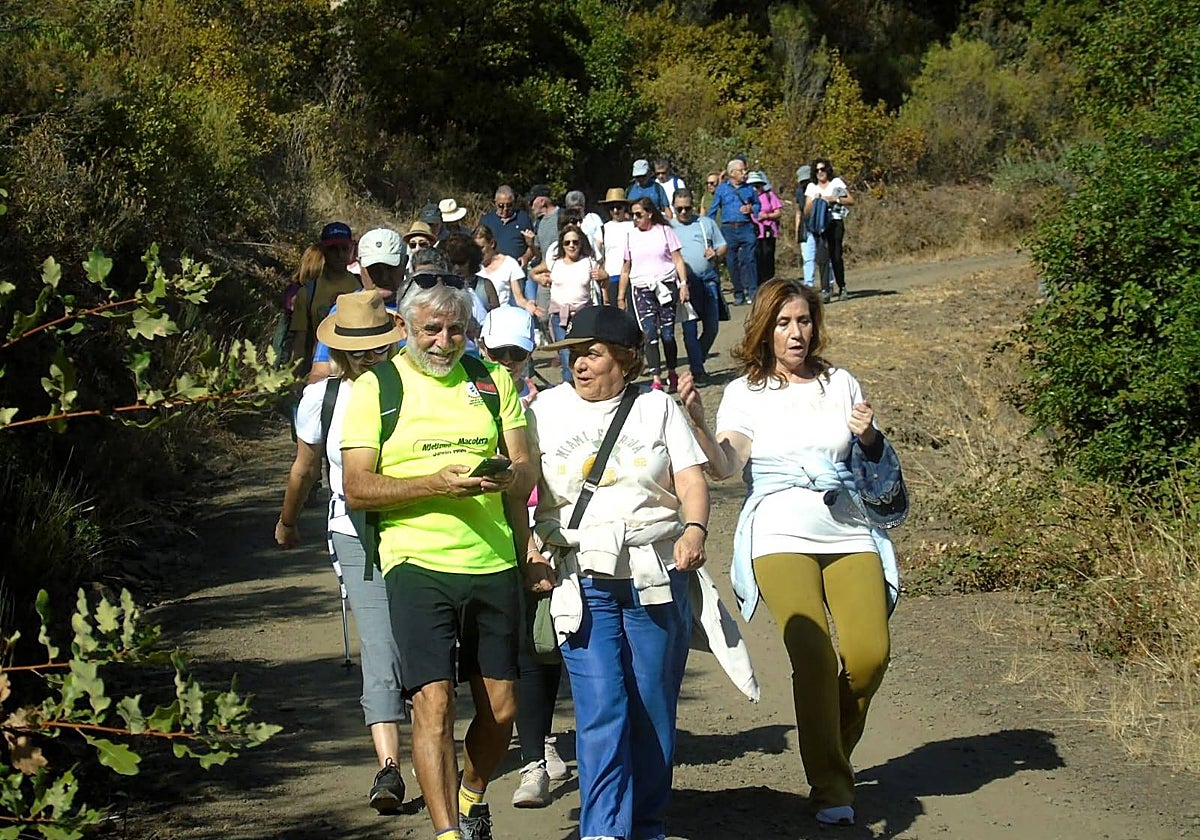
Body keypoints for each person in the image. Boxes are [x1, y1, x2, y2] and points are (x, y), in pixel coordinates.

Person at [678, 279, 893, 829]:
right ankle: (830, 786)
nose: (796, 333)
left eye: (803, 321)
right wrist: (699, 423)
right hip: (777, 532)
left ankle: (830, 747)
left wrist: (871, 438)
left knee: (869, 656)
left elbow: (869, 457)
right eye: (783, 323)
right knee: (815, 656)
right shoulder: (747, 392)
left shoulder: (840, 382)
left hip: (847, 527)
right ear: (764, 329)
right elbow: (726, 466)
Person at [341, 271, 546, 840]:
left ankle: (472, 793)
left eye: (456, 331)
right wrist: (434, 483)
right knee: (432, 704)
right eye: (432, 330)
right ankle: (448, 834)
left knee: (502, 709)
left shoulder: (491, 380)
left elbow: (526, 465)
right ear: (405, 327)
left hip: (492, 561)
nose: (443, 342)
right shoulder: (376, 389)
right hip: (415, 561)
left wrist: (506, 477)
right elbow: (357, 486)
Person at [526, 305, 709, 840]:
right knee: (601, 702)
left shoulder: (659, 409)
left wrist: (694, 528)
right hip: (580, 574)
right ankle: (604, 829)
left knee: (652, 701)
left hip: (653, 569)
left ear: (626, 360)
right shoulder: (545, 410)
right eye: (573, 354)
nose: (579, 363)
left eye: (592, 352)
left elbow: (691, 477)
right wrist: (529, 552)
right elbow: (520, 489)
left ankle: (646, 821)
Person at [275, 290, 409, 814]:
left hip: (370, 528)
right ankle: (396, 764)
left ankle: (396, 763)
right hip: (387, 530)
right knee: (389, 644)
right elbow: (306, 469)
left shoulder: (325, 397)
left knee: (387, 644)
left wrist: (287, 522)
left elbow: (304, 470)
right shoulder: (394, 389)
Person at [474, 307, 571, 808]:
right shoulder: (466, 399)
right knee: (501, 649)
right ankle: (527, 746)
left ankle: (537, 748)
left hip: (536, 533)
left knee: (538, 644)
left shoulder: (550, 405)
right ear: (483, 347)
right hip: (483, 538)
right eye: (499, 352)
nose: (509, 362)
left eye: (518, 353)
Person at [307, 228, 408, 384]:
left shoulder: (420, 311)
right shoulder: (343, 312)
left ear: (405, 263)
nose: (383, 276)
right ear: (360, 266)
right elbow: (319, 372)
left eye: (390, 268)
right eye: (374, 269)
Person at [618, 197, 690, 393]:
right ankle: (656, 377)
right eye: (633, 215)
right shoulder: (630, 236)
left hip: (665, 285)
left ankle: (672, 371)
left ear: (649, 213)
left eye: (639, 214)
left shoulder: (665, 231)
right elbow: (626, 268)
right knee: (649, 333)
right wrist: (620, 297)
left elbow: (677, 260)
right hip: (641, 287)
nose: (635, 218)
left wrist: (683, 284)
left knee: (667, 334)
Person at [531, 223, 607, 384]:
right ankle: (569, 389)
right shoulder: (554, 262)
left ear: (581, 243)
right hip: (560, 316)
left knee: (584, 353)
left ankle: (585, 385)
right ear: (562, 245)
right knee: (565, 356)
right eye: (567, 243)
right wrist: (540, 279)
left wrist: (604, 277)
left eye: (575, 242)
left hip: (583, 315)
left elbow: (604, 282)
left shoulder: (589, 262)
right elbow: (532, 272)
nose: (571, 245)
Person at [288, 222, 361, 374]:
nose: (340, 254)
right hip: (319, 369)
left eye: (344, 248)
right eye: (333, 249)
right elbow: (300, 343)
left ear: (351, 248)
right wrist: (294, 378)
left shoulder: (361, 285)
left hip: (357, 368)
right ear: (323, 250)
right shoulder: (308, 293)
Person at [669, 188, 726, 383]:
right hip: (684, 284)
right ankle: (697, 368)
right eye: (679, 209)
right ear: (673, 207)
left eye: (687, 208)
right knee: (689, 329)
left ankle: (697, 359)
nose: (684, 212)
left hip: (708, 280)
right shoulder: (667, 228)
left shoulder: (706, 223)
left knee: (712, 326)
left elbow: (723, 245)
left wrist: (716, 254)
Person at [706, 159, 760, 305]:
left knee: (750, 259)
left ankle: (753, 292)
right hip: (728, 229)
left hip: (746, 227)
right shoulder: (722, 189)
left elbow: (757, 205)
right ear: (732, 173)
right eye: (741, 170)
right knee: (731, 261)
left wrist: (751, 209)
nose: (745, 173)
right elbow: (713, 209)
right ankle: (738, 293)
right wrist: (706, 227)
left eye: (745, 170)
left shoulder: (749, 189)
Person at [805, 158, 854, 301]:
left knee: (836, 256)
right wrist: (816, 201)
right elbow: (807, 210)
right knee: (822, 257)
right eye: (817, 170)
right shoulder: (811, 187)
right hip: (819, 224)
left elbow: (850, 200)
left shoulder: (836, 183)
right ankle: (825, 289)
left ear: (828, 169)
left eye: (822, 169)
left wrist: (835, 199)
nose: (820, 173)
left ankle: (842, 286)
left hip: (835, 222)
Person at [475, 224, 538, 314]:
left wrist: (529, 305)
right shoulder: (473, 266)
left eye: (481, 248)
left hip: (503, 316)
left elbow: (519, 299)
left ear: (492, 243)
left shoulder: (509, 264)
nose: (478, 252)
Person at [443, 232, 500, 312]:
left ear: (472, 260)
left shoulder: (486, 286)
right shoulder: (442, 286)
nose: (457, 268)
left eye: (461, 262)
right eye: (453, 263)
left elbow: (497, 317)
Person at [480, 185, 535, 268]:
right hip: (493, 268)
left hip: (517, 268)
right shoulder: (486, 220)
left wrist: (526, 257)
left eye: (509, 205)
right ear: (495, 202)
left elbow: (532, 245)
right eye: (501, 205)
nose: (505, 209)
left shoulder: (523, 218)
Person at [596, 188, 634, 306]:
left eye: (619, 207)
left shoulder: (634, 226)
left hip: (633, 277)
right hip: (611, 277)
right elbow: (598, 256)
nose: (615, 211)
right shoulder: (603, 229)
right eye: (612, 208)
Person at [748, 171, 782, 285]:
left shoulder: (769, 196)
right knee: (756, 257)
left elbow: (778, 212)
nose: (755, 189)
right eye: (752, 186)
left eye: (758, 185)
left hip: (768, 231)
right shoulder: (746, 199)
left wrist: (766, 216)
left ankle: (769, 282)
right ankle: (758, 283)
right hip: (753, 231)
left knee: (768, 256)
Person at [792, 164, 818, 289]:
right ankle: (808, 284)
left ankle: (828, 283)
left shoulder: (819, 189)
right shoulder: (799, 192)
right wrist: (797, 230)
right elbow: (798, 211)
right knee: (807, 257)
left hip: (819, 225)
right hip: (805, 227)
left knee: (824, 258)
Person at [564, 190, 603, 256]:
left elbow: (600, 240)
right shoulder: (566, 222)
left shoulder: (593, 218)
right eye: (572, 209)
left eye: (578, 208)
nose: (576, 212)